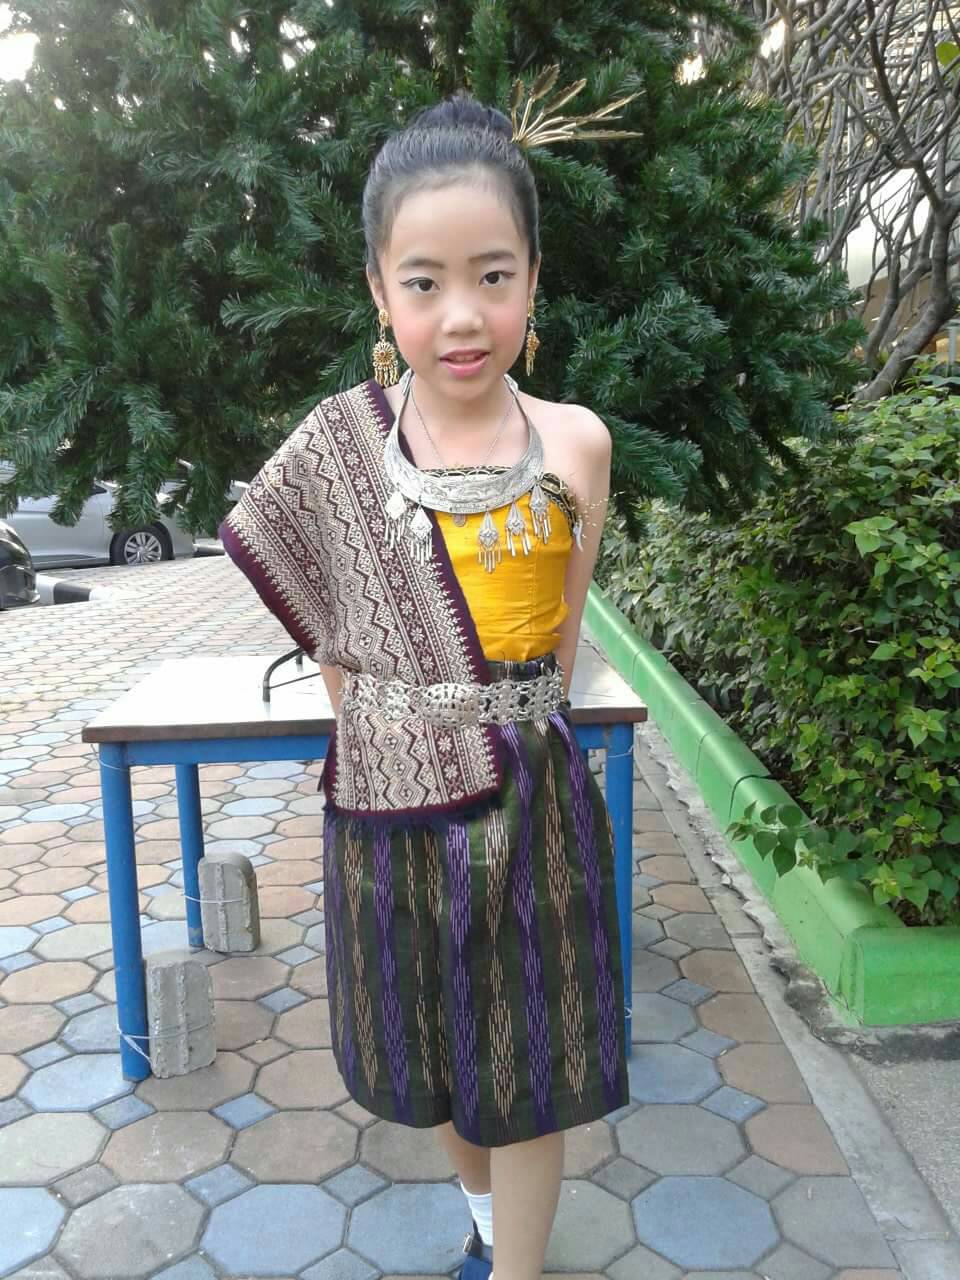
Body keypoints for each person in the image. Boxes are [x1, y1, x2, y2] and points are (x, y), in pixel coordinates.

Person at [220, 69, 639, 1280]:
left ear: (533, 279)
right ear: (379, 289)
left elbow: (560, 645)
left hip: (533, 798)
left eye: (493, 276)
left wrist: (496, 735)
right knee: (435, 1054)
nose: (463, 314)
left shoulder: (577, 442)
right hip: (390, 805)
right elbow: (336, 648)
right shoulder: (340, 449)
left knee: (534, 1060)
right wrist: (409, 739)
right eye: (425, 282)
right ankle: (487, 1223)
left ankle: (518, 1270)